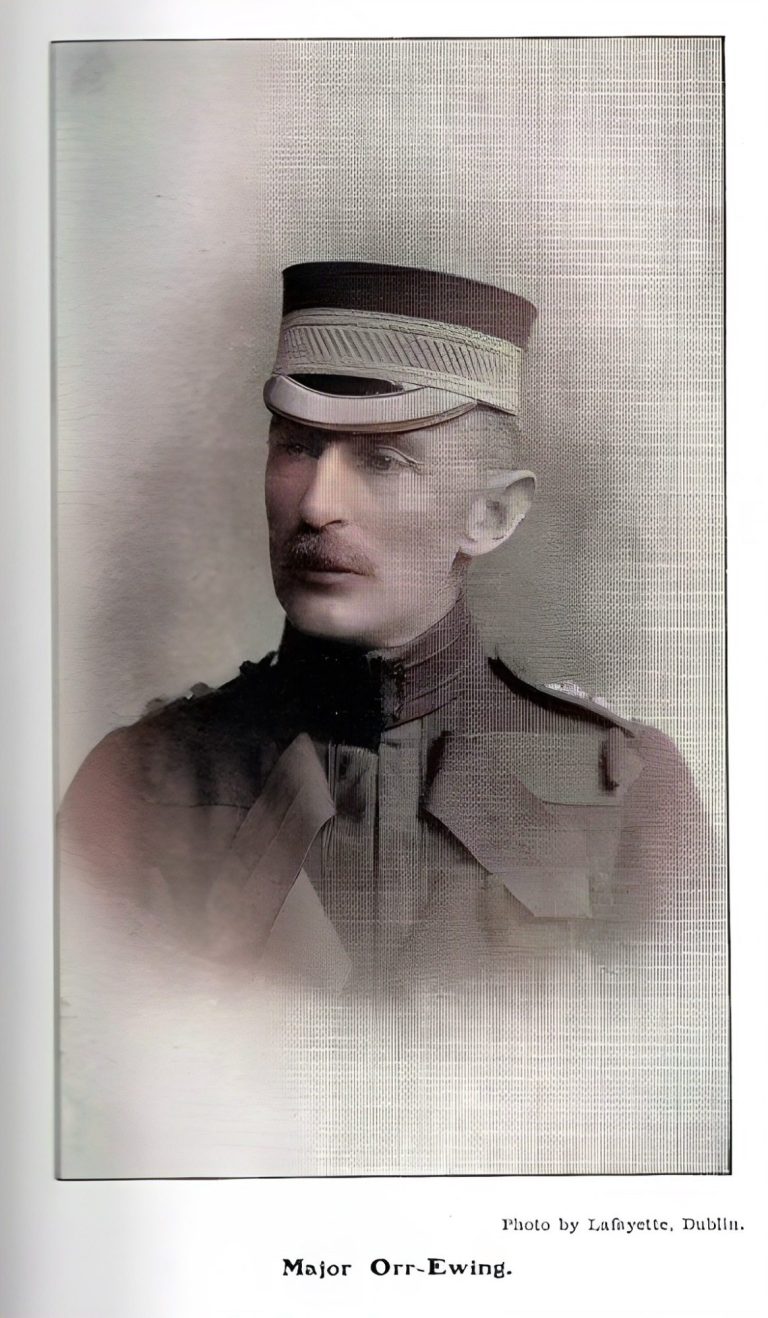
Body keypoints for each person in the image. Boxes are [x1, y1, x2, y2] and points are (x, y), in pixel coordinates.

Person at [59, 261, 712, 998]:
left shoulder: (627, 795)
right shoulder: (139, 787)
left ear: (491, 516)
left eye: (382, 461)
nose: (315, 506)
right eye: (297, 448)